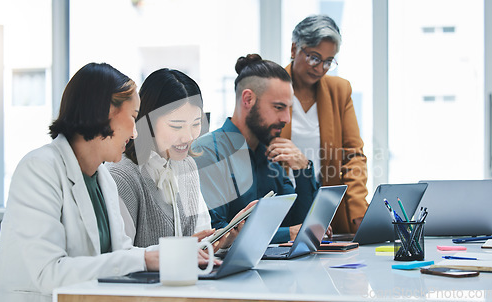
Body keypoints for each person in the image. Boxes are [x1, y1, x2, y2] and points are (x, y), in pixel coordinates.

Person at [0, 63, 210, 302]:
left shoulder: (102, 176)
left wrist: (179, 252)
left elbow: (122, 254)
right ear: (105, 115)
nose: (136, 132)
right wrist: (146, 259)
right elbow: (49, 273)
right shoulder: (39, 168)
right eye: (132, 117)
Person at [107, 68, 241, 249]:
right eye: (176, 126)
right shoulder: (122, 175)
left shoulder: (187, 167)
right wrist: (181, 252)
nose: (188, 137)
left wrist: (221, 243)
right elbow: (120, 256)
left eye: (195, 124)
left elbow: (200, 240)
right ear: (147, 122)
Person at [193, 54, 319, 244]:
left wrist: (303, 170)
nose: (287, 118)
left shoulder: (271, 155)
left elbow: (298, 223)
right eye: (278, 107)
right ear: (248, 99)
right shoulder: (207, 152)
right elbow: (215, 232)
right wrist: (289, 234)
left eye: (289, 109)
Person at [279, 14, 368, 234]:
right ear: (294, 50)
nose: (320, 68)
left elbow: (353, 156)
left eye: (328, 61)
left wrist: (359, 213)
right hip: (283, 205)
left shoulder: (340, 91)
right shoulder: (272, 88)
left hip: (325, 209)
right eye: (314, 57)